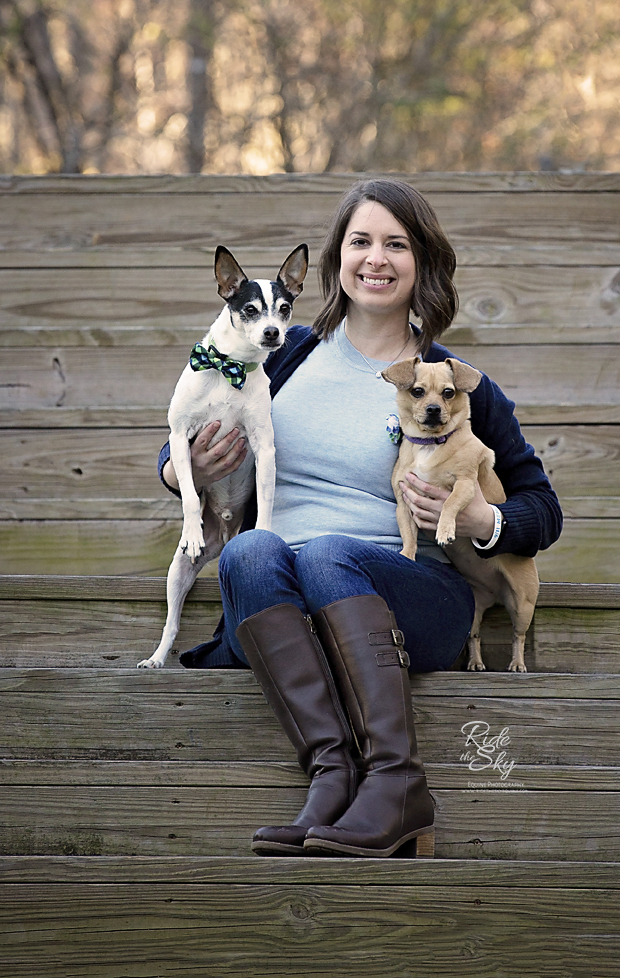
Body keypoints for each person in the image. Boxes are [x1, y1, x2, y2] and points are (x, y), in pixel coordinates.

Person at [158, 179, 562, 859]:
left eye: (396, 244)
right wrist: (184, 468)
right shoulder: (280, 353)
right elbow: (180, 434)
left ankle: (397, 782)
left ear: (422, 262)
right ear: (336, 260)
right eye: (360, 241)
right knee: (250, 551)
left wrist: (478, 518)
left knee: (324, 553)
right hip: (278, 601)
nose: (376, 258)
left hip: (410, 597)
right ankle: (331, 776)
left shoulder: (452, 381)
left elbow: (541, 510)